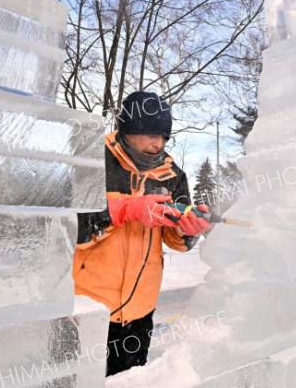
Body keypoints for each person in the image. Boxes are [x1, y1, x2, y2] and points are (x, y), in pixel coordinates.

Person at [72, 91, 211, 376]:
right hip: (84, 311)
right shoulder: (90, 160)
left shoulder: (173, 176)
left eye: (164, 136)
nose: (157, 144)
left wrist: (188, 228)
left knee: (129, 382)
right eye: (150, 134)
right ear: (127, 129)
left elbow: (177, 241)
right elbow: (64, 227)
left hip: (139, 315)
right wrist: (124, 210)